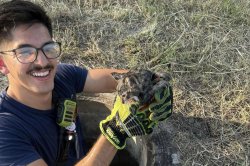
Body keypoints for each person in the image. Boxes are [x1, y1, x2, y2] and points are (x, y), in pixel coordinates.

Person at [0, 0, 173, 166]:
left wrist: (147, 84)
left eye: (48, 48)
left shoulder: (61, 77)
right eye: (25, 52)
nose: (42, 62)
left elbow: (108, 79)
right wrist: (115, 132)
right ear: (2, 64)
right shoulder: (5, 131)